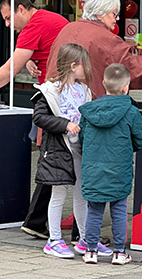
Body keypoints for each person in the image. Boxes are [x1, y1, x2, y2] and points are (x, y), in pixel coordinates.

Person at [25, 0, 142, 241]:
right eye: (114, 14)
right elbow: (132, 68)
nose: (116, 20)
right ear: (102, 13)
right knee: (85, 179)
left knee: (57, 174)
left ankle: (46, 226)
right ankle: (83, 237)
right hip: (86, 115)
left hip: (58, 114)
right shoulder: (104, 38)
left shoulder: (68, 30)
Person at [0, 0, 69, 240]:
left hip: (55, 98)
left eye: (10, 18)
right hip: (62, 95)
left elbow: (10, 69)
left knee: (51, 157)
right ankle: (40, 219)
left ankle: (37, 220)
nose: (8, 25)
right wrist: (35, 60)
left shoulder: (33, 26)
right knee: (54, 155)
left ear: (22, 9)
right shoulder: (49, 19)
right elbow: (52, 51)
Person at [32, 43, 112, 259]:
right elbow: (39, 117)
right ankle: (54, 240)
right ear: (73, 65)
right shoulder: (49, 90)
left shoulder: (83, 90)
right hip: (59, 149)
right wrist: (65, 124)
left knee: (81, 195)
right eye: (84, 64)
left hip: (79, 149)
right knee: (58, 194)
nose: (87, 69)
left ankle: (85, 240)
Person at [79, 63, 142, 264]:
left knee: (94, 210)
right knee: (119, 210)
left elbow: (83, 138)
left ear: (103, 84)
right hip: (120, 169)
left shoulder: (90, 111)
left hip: (93, 169)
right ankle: (119, 252)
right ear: (126, 87)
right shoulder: (131, 111)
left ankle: (90, 251)